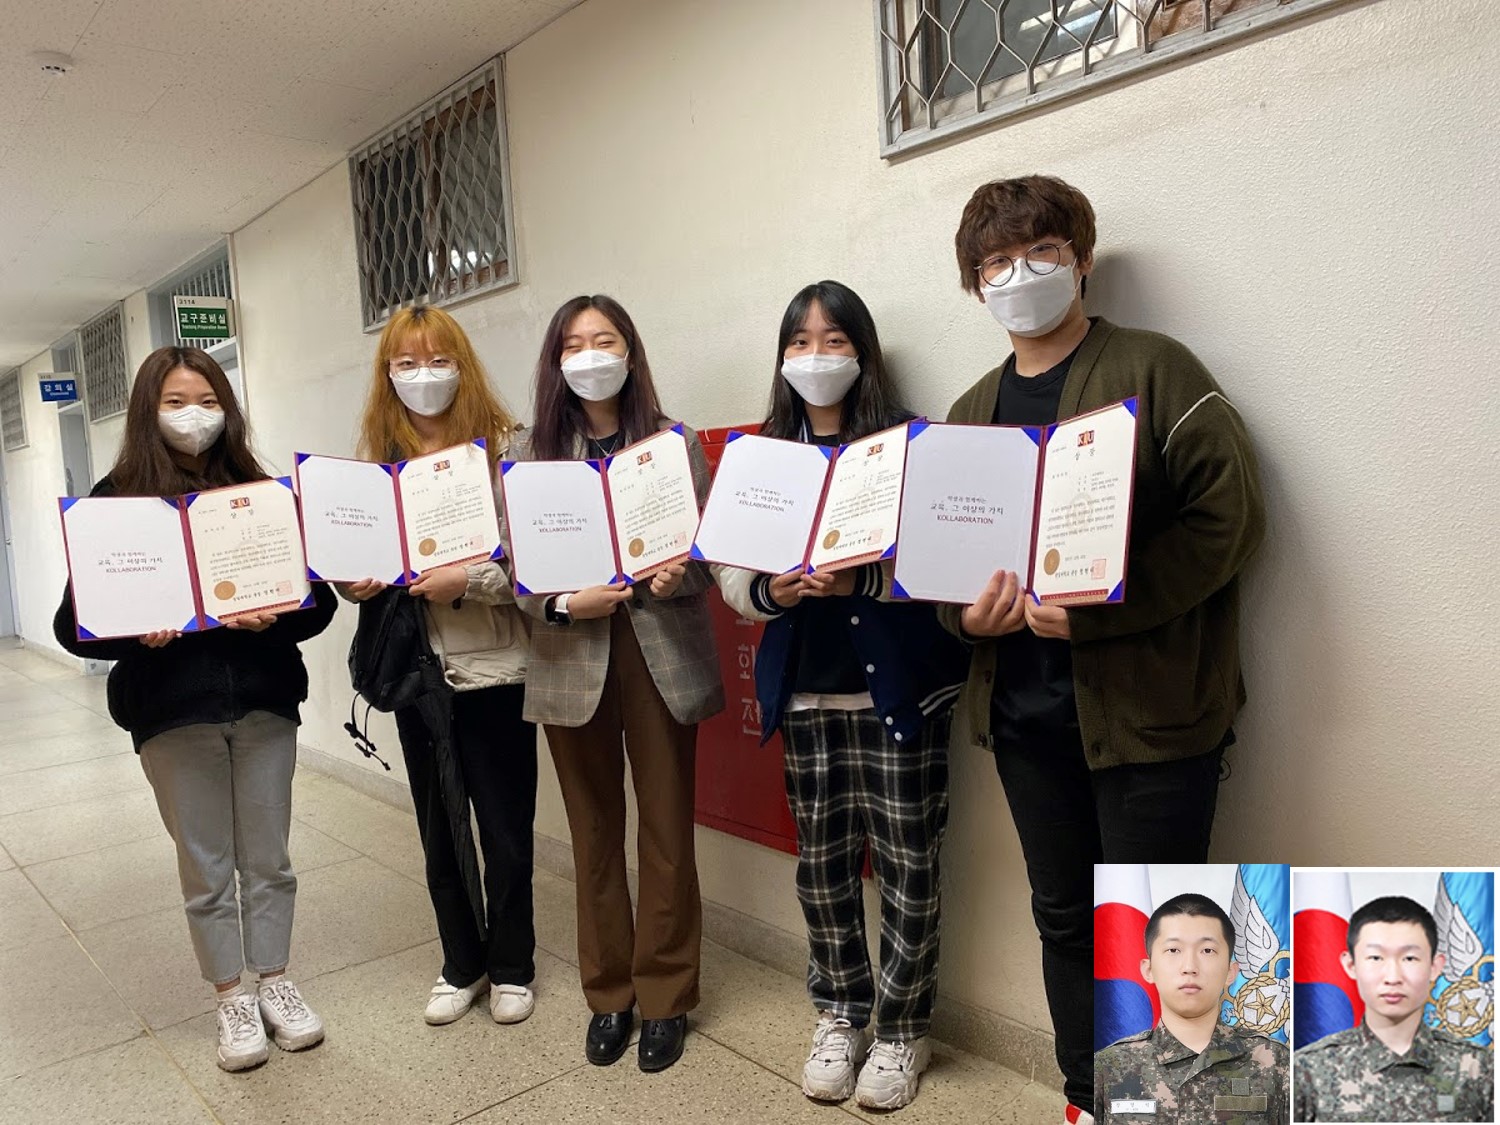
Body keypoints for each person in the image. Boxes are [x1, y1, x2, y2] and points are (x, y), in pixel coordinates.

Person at [939, 174, 1267, 1124]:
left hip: (1150, 720)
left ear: (1080, 258)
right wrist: (968, 621)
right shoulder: (968, 413)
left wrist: (1101, 613)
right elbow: (942, 574)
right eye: (996, 262)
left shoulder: (1157, 369)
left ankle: (1168, 1107)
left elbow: (1231, 518)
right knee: (1064, 918)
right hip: (1026, 721)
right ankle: (1088, 1098)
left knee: (1167, 929)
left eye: (1040, 252)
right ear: (975, 283)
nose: (1019, 275)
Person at [716, 281, 967, 1110]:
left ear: (863, 351)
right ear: (782, 357)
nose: (815, 356)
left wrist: (866, 577)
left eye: (833, 340)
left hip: (897, 693)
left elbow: (946, 559)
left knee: (908, 867)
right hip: (807, 696)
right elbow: (731, 570)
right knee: (822, 871)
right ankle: (840, 1012)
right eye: (800, 341)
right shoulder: (762, 456)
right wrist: (772, 590)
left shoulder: (908, 446)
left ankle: (902, 1029)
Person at [52, 346, 337, 1072]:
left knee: (269, 858)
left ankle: (275, 981)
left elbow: (319, 606)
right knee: (207, 865)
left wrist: (274, 617)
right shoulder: (114, 501)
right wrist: (135, 631)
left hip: (265, 706)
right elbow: (73, 625)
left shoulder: (260, 493)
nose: (194, 416)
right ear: (148, 412)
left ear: (227, 409)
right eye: (176, 402)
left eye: (208, 402)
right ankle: (230, 998)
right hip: (172, 713)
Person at [502, 294, 723, 1074]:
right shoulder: (527, 455)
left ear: (631, 351)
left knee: (666, 830)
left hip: (658, 648)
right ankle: (610, 992)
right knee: (593, 834)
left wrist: (676, 572)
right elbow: (516, 569)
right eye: (574, 343)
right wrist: (567, 601)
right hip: (572, 653)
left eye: (606, 339)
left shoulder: (672, 441)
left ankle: (666, 996)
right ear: (556, 360)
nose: (591, 355)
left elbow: (708, 552)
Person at [339, 305, 537, 1028]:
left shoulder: (506, 454)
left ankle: (512, 964)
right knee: (438, 829)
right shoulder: (374, 469)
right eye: (406, 363)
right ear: (387, 374)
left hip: (497, 667)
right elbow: (352, 563)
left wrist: (469, 580)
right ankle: (462, 963)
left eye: (438, 360)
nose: (424, 375)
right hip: (417, 672)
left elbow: (533, 564)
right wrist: (354, 582)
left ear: (463, 365)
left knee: (507, 831)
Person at [1294, 896, 1493, 1122]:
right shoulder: (1307, 1070)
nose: (1393, 977)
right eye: (1375, 958)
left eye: (1409, 958)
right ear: (1351, 965)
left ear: (1435, 967)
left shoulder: (1481, 1068)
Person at [1095, 894, 1289, 1125]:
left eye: (1207, 950)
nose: (1189, 967)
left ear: (1231, 972)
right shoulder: (1107, 1067)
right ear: (1149, 970)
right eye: (1173, 950)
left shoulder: (1276, 1063)